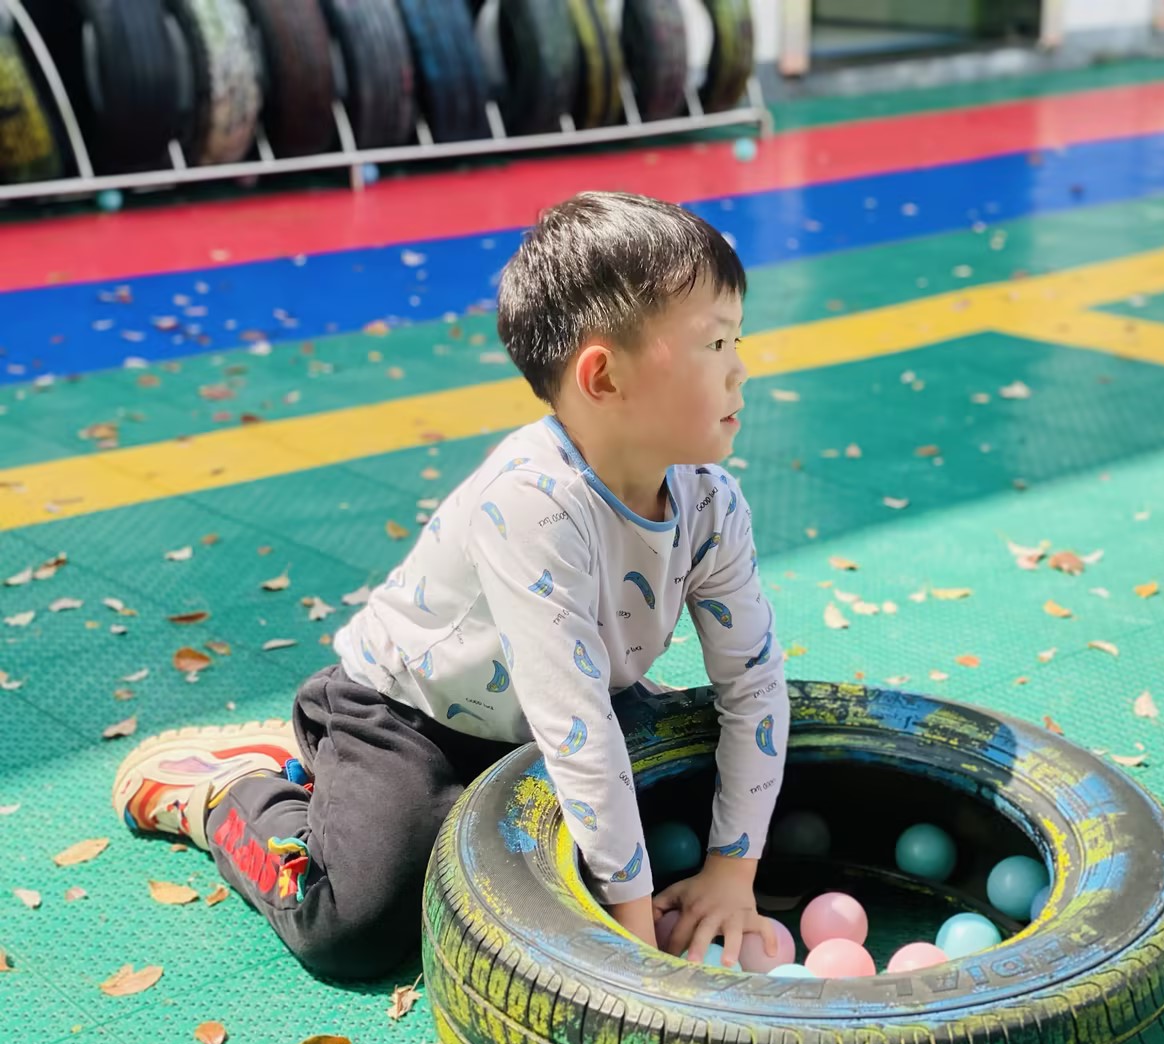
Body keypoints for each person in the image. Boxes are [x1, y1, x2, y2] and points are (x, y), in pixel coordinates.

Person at [111, 192, 790, 980]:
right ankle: (235, 791)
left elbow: (752, 687)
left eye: (738, 339)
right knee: (353, 926)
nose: (740, 367)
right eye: (715, 342)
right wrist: (634, 949)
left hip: (571, 711)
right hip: (413, 720)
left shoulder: (711, 501)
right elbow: (576, 728)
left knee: (715, 796)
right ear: (604, 377)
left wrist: (731, 872)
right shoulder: (533, 501)